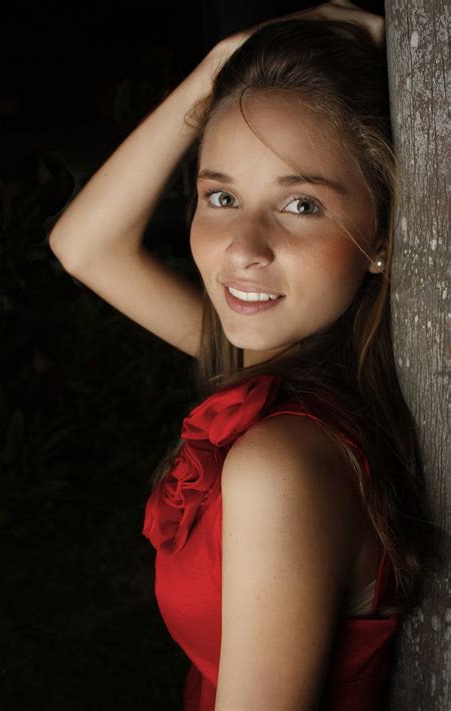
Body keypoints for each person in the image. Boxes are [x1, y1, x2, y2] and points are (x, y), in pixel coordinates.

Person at [49, 2, 440, 708]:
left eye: (301, 206)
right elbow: (82, 247)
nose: (243, 248)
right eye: (221, 195)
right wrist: (223, 62)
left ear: (382, 236)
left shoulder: (280, 463)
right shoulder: (298, 375)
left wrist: (221, 65)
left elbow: (83, 248)